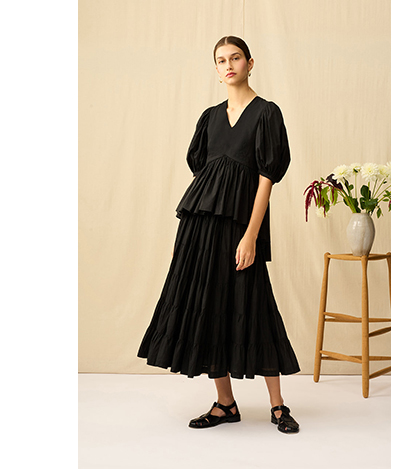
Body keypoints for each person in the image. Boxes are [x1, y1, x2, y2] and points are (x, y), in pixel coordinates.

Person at [137, 35, 300, 434]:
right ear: (216, 69)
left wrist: (251, 235)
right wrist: (193, 232)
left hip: (241, 228)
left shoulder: (266, 113)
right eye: (221, 60)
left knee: (255, 305)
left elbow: (266, 179)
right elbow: (205, 175)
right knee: (208, 307)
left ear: (250, 63)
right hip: (200, 227)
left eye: (235, 58)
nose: (229, 65)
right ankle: (225, 403)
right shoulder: (209, 118)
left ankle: (278, 406)